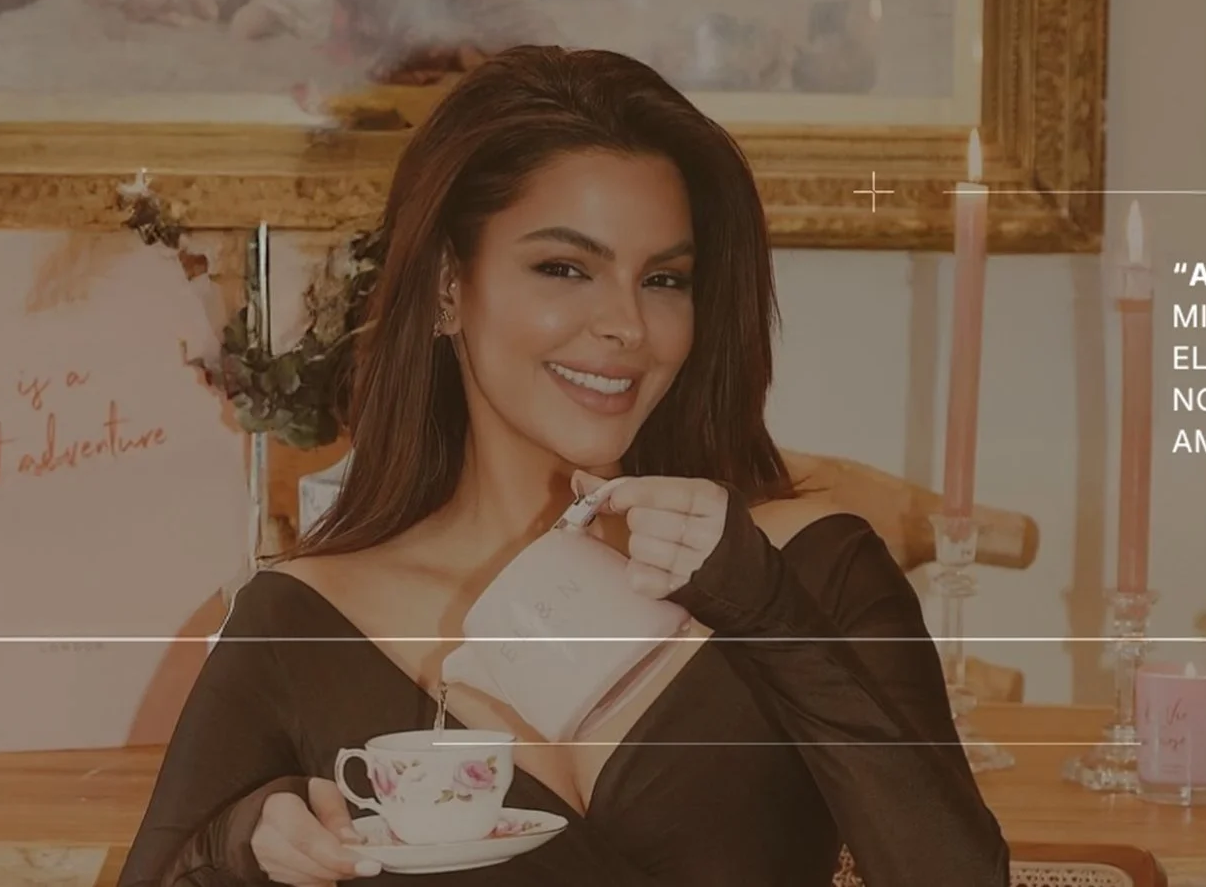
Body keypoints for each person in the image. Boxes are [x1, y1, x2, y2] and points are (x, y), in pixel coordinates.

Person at [117, 44, 1009, 886]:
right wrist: (247, 837)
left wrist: (768, 612)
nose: (627, 324)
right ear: (444, 288)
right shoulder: (304, 620)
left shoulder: (811, 566)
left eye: (664, 280)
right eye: (564, 268)